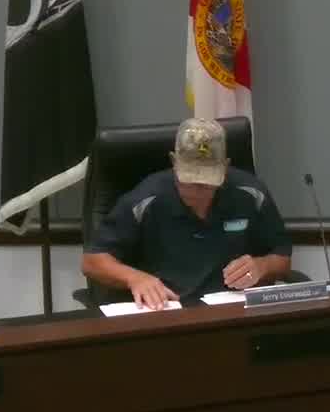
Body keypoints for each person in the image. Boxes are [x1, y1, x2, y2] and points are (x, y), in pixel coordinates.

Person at [82, 118, 293, 308]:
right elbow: (92, 261)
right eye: (189, 180)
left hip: (231, 309)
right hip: (169, 309)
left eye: (207, 181)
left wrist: (262, 266)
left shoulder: (251, 193)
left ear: (225, 166)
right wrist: (135, 278)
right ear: (174, 162)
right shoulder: (146, 198)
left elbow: (282, 258)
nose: (198, 190)